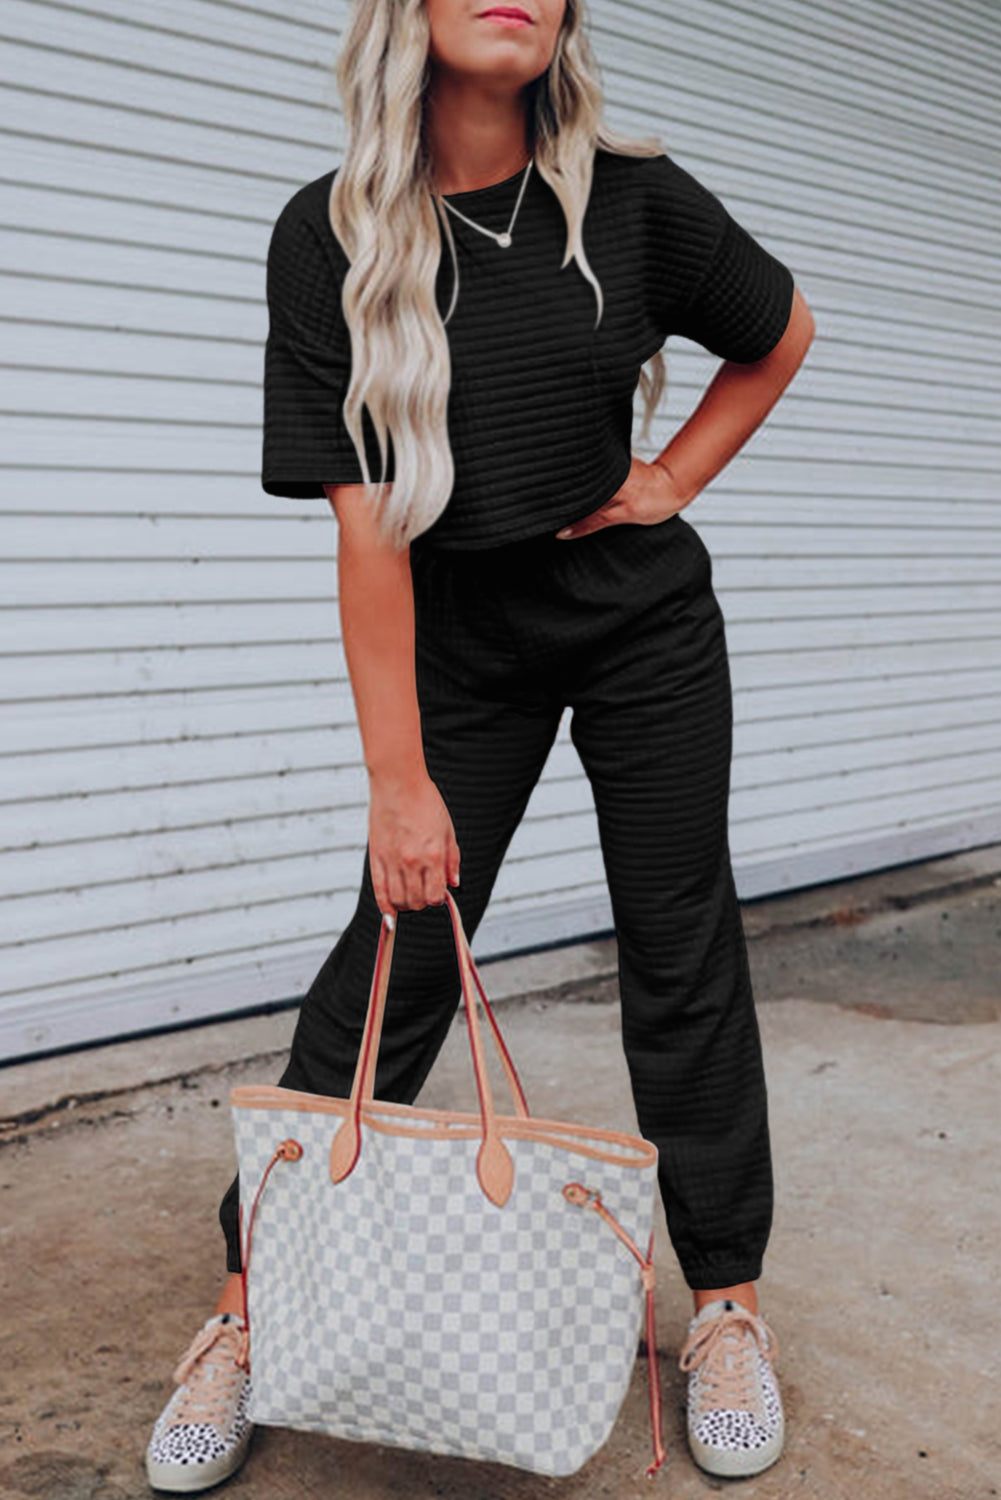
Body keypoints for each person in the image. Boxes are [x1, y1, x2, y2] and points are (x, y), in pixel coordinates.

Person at [145, 0, 815, 1489]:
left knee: (678, 941)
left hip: (638, 626)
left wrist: (665, 483)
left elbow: (779, 332)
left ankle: (721, 1306)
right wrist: (399, 780)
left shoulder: (632, 197)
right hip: (461, 634)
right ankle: (249, 1306)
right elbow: (364, 527)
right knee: (400, 948)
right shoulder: (328, 234)